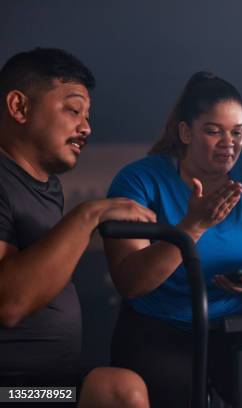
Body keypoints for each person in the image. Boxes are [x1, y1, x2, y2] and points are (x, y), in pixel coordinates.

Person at [104, 71, 242, 407]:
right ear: (185, 132)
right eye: (213, 131)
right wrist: (194, 225)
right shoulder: (139, 181)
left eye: (237, 132)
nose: (229, 143)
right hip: (164, 323)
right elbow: (130, 283)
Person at [0, 48, 152, 407]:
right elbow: (9, 303)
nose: (86, 128)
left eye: (87, 115)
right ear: (19, 107)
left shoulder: (47, 188)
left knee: (122, 391)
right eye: (73, 110)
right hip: (12, 392)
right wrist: (87, 216)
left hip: (51, 386)